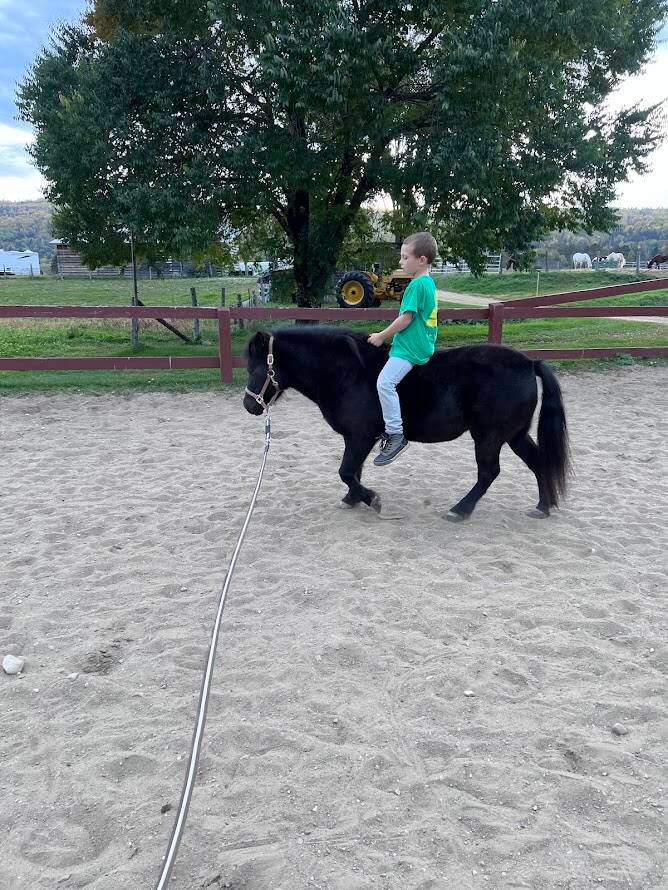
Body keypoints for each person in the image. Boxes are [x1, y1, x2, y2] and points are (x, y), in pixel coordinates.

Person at [367, 231, 438, 466]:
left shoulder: (415, 286)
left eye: (405, 257)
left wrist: (381, 336)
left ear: (422, 260)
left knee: (384, 383)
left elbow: (406, 319)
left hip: (409, 349)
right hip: (423, 343)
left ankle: (396, 434)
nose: (401, 262)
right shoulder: (429, 283)